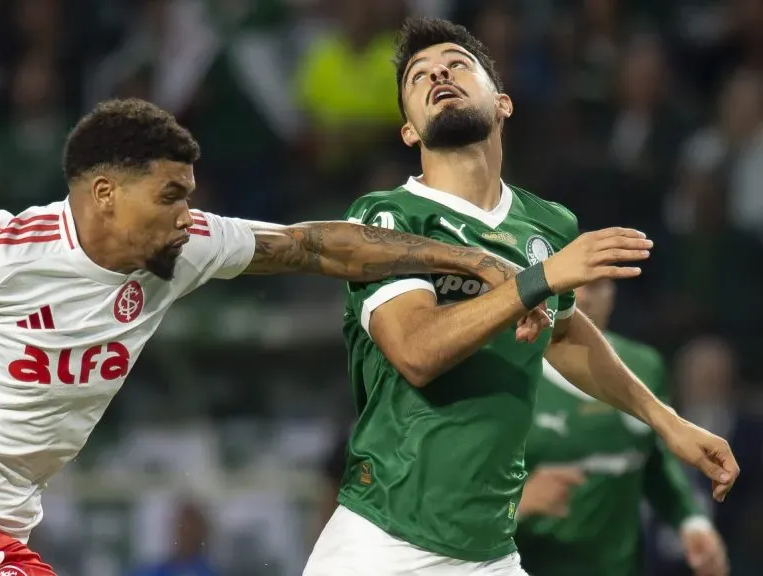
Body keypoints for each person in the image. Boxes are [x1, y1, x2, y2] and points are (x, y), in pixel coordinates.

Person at [0, 97, 562, 575]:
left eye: (189, 197)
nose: (186, 215)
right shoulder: (0, 252)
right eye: (169, 197)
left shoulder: (183, 247)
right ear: (105, 195)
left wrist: (468, 257)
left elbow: (316, 245)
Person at [303, 17, 739, 576]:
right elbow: (415, 351)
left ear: (503, 102)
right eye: (418, 76)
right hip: (385, 543)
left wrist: (667, 421)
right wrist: (538, 280)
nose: (439, 73)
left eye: (457, 64)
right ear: (409, 131)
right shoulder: (388, 217)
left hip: (491, 552)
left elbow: (565, 332)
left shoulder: (547, 224)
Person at [515, 278, 729, 576]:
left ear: (613, 293)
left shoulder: (645, 367)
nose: (584, 296)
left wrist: (691, 521)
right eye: (574, 282)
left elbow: (653, 458)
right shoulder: (509, 370)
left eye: (599, 284)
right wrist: (517, 504)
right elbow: (456, 484)